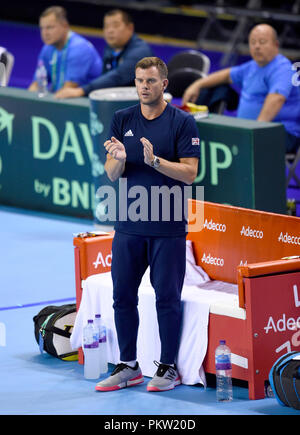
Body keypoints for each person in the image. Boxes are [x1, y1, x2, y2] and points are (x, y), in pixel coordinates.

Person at [95, 57, 200, 392]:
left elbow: (190, 174)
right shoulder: (121, 119)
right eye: (139, 80)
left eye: (151, 81)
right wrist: (121, 159)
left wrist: (154, 161)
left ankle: (168, 368)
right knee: (122, 296)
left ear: (164, 84)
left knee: (166, 298)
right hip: (129, 226)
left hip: (168, 227)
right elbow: (111, 174)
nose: (144, 86)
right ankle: (128, 366)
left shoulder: (183, 122)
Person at [182, 23, 300, 153]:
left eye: (262, 42)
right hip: (247, 130)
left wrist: (256, 131)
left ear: (275, 45)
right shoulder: (252, 66)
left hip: (279, 132)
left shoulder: (282, 68)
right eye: (253, 42)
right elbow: (226, 75)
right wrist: (197, 84)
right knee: (206, 136)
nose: (257, 46)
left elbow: (276, 99)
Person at [55, 9, 153, 99]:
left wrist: (81, 91)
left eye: (115, 25)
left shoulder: (140, 51)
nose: (110, 30)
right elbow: (105, 80)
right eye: (106, 26)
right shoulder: (109, 49)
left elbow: (118, 77)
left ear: (130, 28)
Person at [28, 6, 102, 93]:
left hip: (85, 102)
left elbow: (67, 91)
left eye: (50, 27)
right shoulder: (47, 48)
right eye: (42, 28)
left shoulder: (79, 49)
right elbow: (37, 84)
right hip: (61, 97)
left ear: (65, 26)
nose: (45, 33)